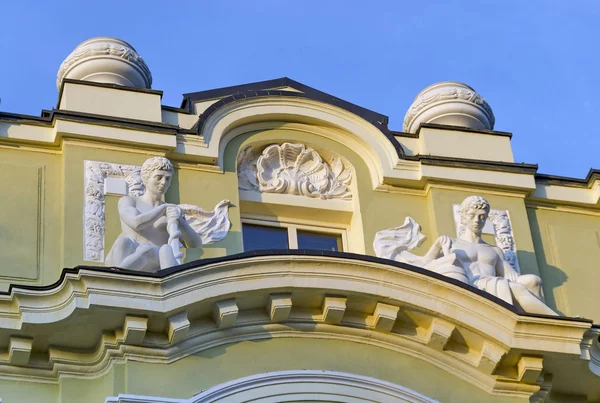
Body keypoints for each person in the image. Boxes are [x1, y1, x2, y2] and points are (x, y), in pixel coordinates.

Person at [422, 196, 556, 315]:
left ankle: (539, 323)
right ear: (463, 217)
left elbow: (511, 275)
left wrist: (518, 277)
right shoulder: (451, 243)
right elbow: (424, 264)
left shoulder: (494, 250)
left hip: (493, 284)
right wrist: (437, 246)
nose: (477, 220)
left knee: (533, 280)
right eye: (472, 215)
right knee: (517, 288)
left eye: (481, 217)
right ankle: (554, 320)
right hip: (470, 285)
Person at [105, 157, 202, 272]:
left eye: (167, 179)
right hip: (130, 252)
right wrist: (162, 209)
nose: (163, 183)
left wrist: (180, 221)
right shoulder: (129, 201)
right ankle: (116, 275)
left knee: (162, 249)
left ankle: (117, 275)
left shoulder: (171, 211)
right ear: (146, 178)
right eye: (159, 177)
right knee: (123, 242)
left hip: (157, 259)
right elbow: (136, 223)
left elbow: (195, 244)